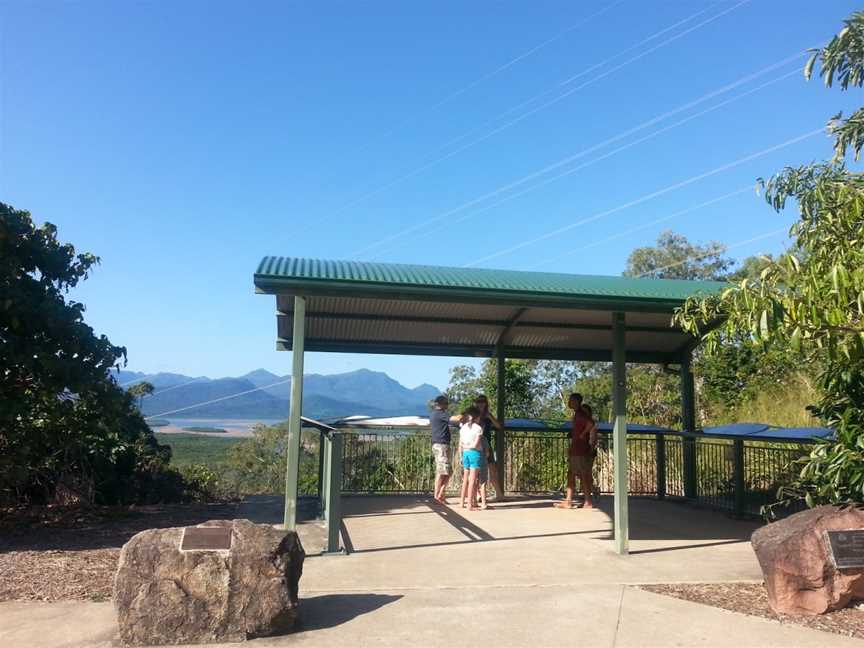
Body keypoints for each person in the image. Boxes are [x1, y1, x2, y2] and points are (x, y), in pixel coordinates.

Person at [554, 393, 597, 510]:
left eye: (571, 400)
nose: (569, 402)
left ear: (577, 402)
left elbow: (591, 424)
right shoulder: (577, 414)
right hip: (576, 447)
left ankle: (588, 501)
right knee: (571, 474)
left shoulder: (581, 414)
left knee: (582, 474)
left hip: (580, 449)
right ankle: (568, 500)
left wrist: (583, 434)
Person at [474, 395, 506, 501]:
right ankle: (478, 494)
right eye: (479, 402)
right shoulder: (473, 415)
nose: (481, 404)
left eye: (483, 401)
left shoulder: (488, 416)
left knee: (492, 470)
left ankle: (499, 494)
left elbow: (499, 426)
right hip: (476, 446)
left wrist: (490, 416)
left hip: (487, 445)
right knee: (476, 471)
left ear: (486, 403)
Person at [458, 406, 486, 510]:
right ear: (477, 417)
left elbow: (460, 443)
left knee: (465, 479)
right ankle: (469, 504)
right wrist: (470, 446)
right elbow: (475, 445)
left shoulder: (463, 427)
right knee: (472, 480)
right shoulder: (478, 428)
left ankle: (462, 502)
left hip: (465, 453)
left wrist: (462, 453)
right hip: (475, 453)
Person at [430, 395, 453, 504]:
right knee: (442, 472)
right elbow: (453, 419)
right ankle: (437, 496)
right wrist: (464, 415)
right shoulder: (441, 414)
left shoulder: (433, 414)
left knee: (447, 471)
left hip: (439, 445)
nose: (447, 405)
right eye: (446, 403)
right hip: (441, 445)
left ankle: (440, 494)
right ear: (441, 404)